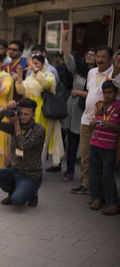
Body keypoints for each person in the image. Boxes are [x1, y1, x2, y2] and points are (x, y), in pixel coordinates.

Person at [71, 45, 114, 194]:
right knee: (85, 155)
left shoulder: (114, 74)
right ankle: (86, 184)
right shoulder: (91, 72)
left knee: (99, 159)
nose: (100, 60)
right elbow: (90, 92)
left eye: (103, 57)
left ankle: (98, 189)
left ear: (110, 59)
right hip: (86, 119)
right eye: (98, 56)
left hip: (102, 123)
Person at [0, 98, 45, 207]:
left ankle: (32, 193)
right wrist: (5, 109)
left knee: (18, 200)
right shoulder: (14, 125)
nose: (22, 117)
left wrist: (16, 124)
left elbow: (23, 145)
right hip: (15, 170)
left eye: (26, 114)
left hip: (31, 175)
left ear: (33, 115)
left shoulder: (39, 130)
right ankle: (12, 192)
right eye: (20, 114)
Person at [16, 54, 64, 170]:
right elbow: (20, 90)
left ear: (43, 64)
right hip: (25, 113)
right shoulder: (29, 77)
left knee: (39, 144)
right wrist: (19, 75)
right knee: (21, 139)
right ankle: (20, 166)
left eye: (36, 63)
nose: (33, 65)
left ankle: (37, 169)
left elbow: (48, 85)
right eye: (31, 63)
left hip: (41, 114)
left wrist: (35, 69)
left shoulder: (49, 75)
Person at [61, 30, 96, 182]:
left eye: (92, 55)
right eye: (87, 54)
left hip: (89, 112)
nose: (89, 56)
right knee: (72, 142)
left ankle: (86, 177)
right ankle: (69, 171)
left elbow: (98, 95)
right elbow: (68, 57)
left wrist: (79, 92)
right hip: (73, 110)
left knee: (86, 147)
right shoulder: (79, 71)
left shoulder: (98, 74)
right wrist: (64, 39)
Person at [89, 81, 120, 215]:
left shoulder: (118, 107)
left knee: (108, 174)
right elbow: (94, 123)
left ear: (116, 93)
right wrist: (92, 125)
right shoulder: (100, 106)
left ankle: (112, 202)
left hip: (109, 146)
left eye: (110, 92)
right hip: (95, 144)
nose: (107, 95)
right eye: (105, 92)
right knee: (95, 173)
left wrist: (111, 126)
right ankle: (96, 198)